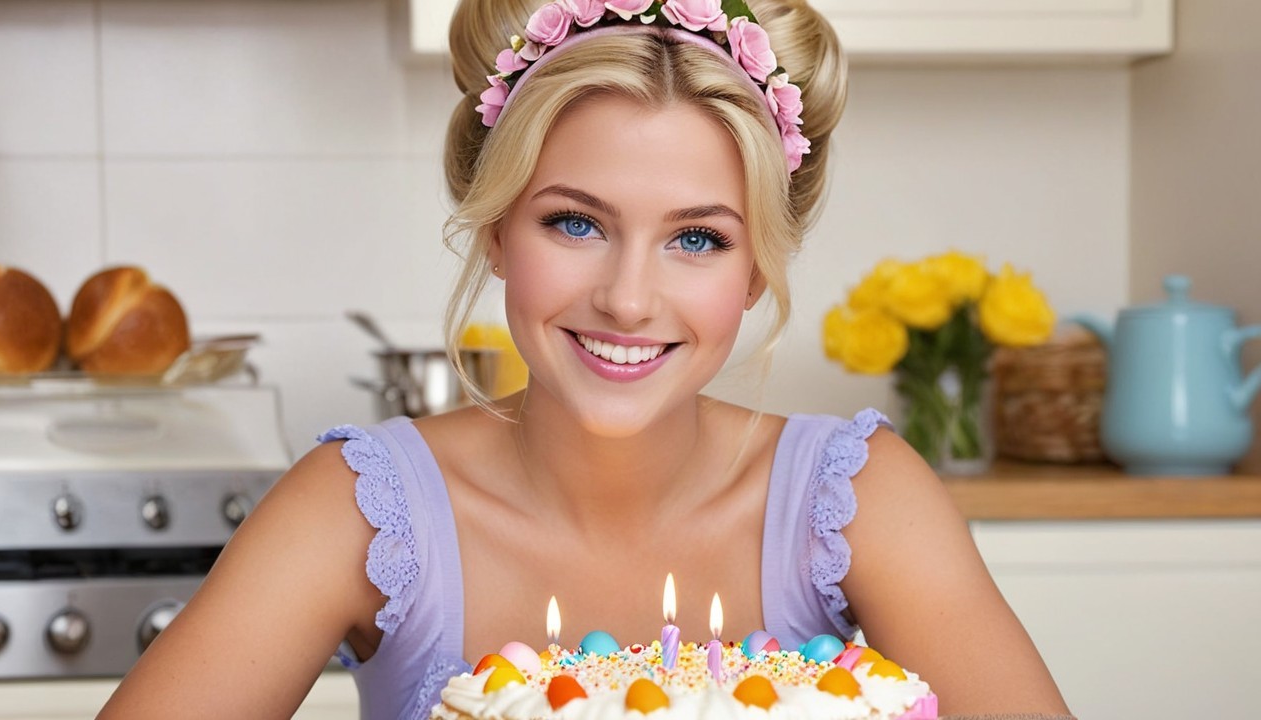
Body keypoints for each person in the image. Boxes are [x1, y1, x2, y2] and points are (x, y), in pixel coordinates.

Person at [100, 1, 1072, 718]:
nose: (627, 299)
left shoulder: (860, 498)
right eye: (575, 222)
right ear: (496, 231)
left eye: (696, 238)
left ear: (755, 272)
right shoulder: (353, 509)